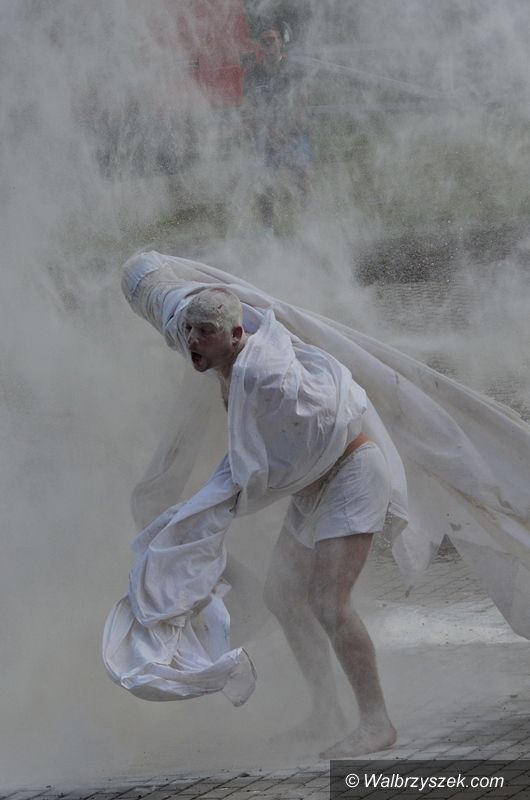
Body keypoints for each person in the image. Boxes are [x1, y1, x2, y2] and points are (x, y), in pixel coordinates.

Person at [104, 251, 530, 761]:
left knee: (330, 602)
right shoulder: (196, 335)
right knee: (283, 595)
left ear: (236, 336)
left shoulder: (269, 378)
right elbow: (160, 295)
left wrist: (198, 519)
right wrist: (142, 272)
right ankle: (326, 711)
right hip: (314, 487)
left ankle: (377, 722)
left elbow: (256, 467)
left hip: (352, 475)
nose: (193, 341)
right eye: (189, 331)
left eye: (205, 333)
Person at [243, 19, 312, 231]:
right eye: (264, 42)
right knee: (263, 184)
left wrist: (283, 131)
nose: (268, 45)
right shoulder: (253, 74)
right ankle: (267, 234)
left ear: (281, 42)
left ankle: (309, 228)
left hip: (293, 133)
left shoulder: (294, 70)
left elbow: (301, 104)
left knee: (302, 180)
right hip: (265, 136)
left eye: (272, 40)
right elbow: (249, 109)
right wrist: (265, 133)